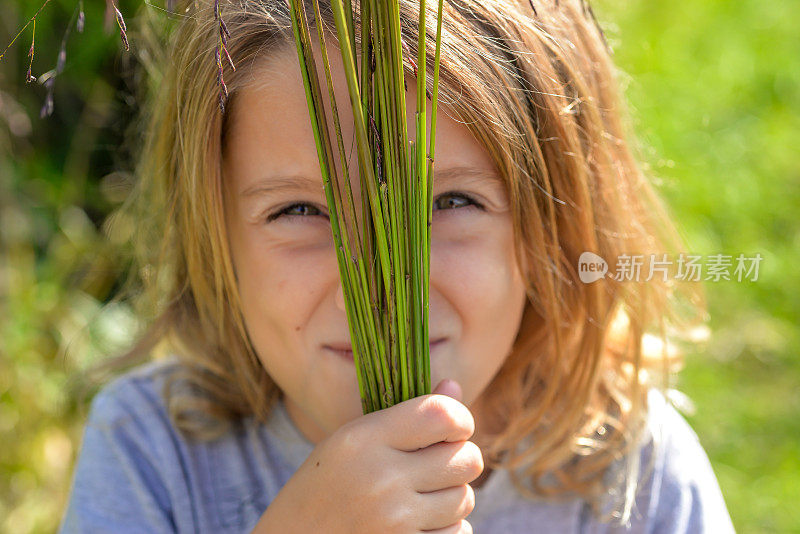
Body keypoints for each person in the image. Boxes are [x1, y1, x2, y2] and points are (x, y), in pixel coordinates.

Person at [58, 0, 735, 532]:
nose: (378, 289)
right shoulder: (152, 451)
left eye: (451, 201)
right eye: (298, 212)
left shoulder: (630, 475)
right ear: (214, 236)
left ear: (555, 229)